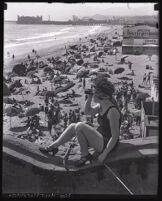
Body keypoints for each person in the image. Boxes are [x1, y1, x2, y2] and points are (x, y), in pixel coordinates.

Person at [39, 75, 121, 167]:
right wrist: (89, 98)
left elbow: (115, 136)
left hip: (107, 144)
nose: (92, 93)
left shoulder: (112, 111)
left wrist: (104, 154)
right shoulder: (101, 105)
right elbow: (87, 112)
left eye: (94, 92)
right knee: (74, 126)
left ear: (103, 95)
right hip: (100, 138)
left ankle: (85, 156)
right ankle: (53, 147)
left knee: (80, 126)